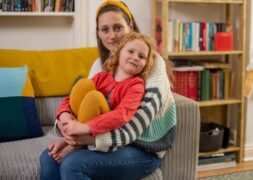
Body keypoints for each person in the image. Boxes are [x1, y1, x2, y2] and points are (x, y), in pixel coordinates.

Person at [40, 1, 176, 180]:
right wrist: (66, 123)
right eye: (105, 30)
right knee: (48, 158)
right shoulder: (100, 67)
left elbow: (132, 124)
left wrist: (85, 138)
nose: (112, 36)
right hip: (104, 137)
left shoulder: (151, 64)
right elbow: (78, 101)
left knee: (72, 164)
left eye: (118, 27)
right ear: (98, 33)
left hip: (142, 147)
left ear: (131, 26)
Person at [47, 32, 155, 163]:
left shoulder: (136, 86)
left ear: (146, 64)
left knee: (95, 97)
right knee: (84, 84)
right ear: (119, 52)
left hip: (102, 128)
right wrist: (63, 116)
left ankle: (74, 144)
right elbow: (71, 99)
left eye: (142, 56)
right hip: (80, 122)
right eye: (131, 51)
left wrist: (86, 128)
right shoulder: (103, 76)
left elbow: (122, 114)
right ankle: (71, 139)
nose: (135, 57)